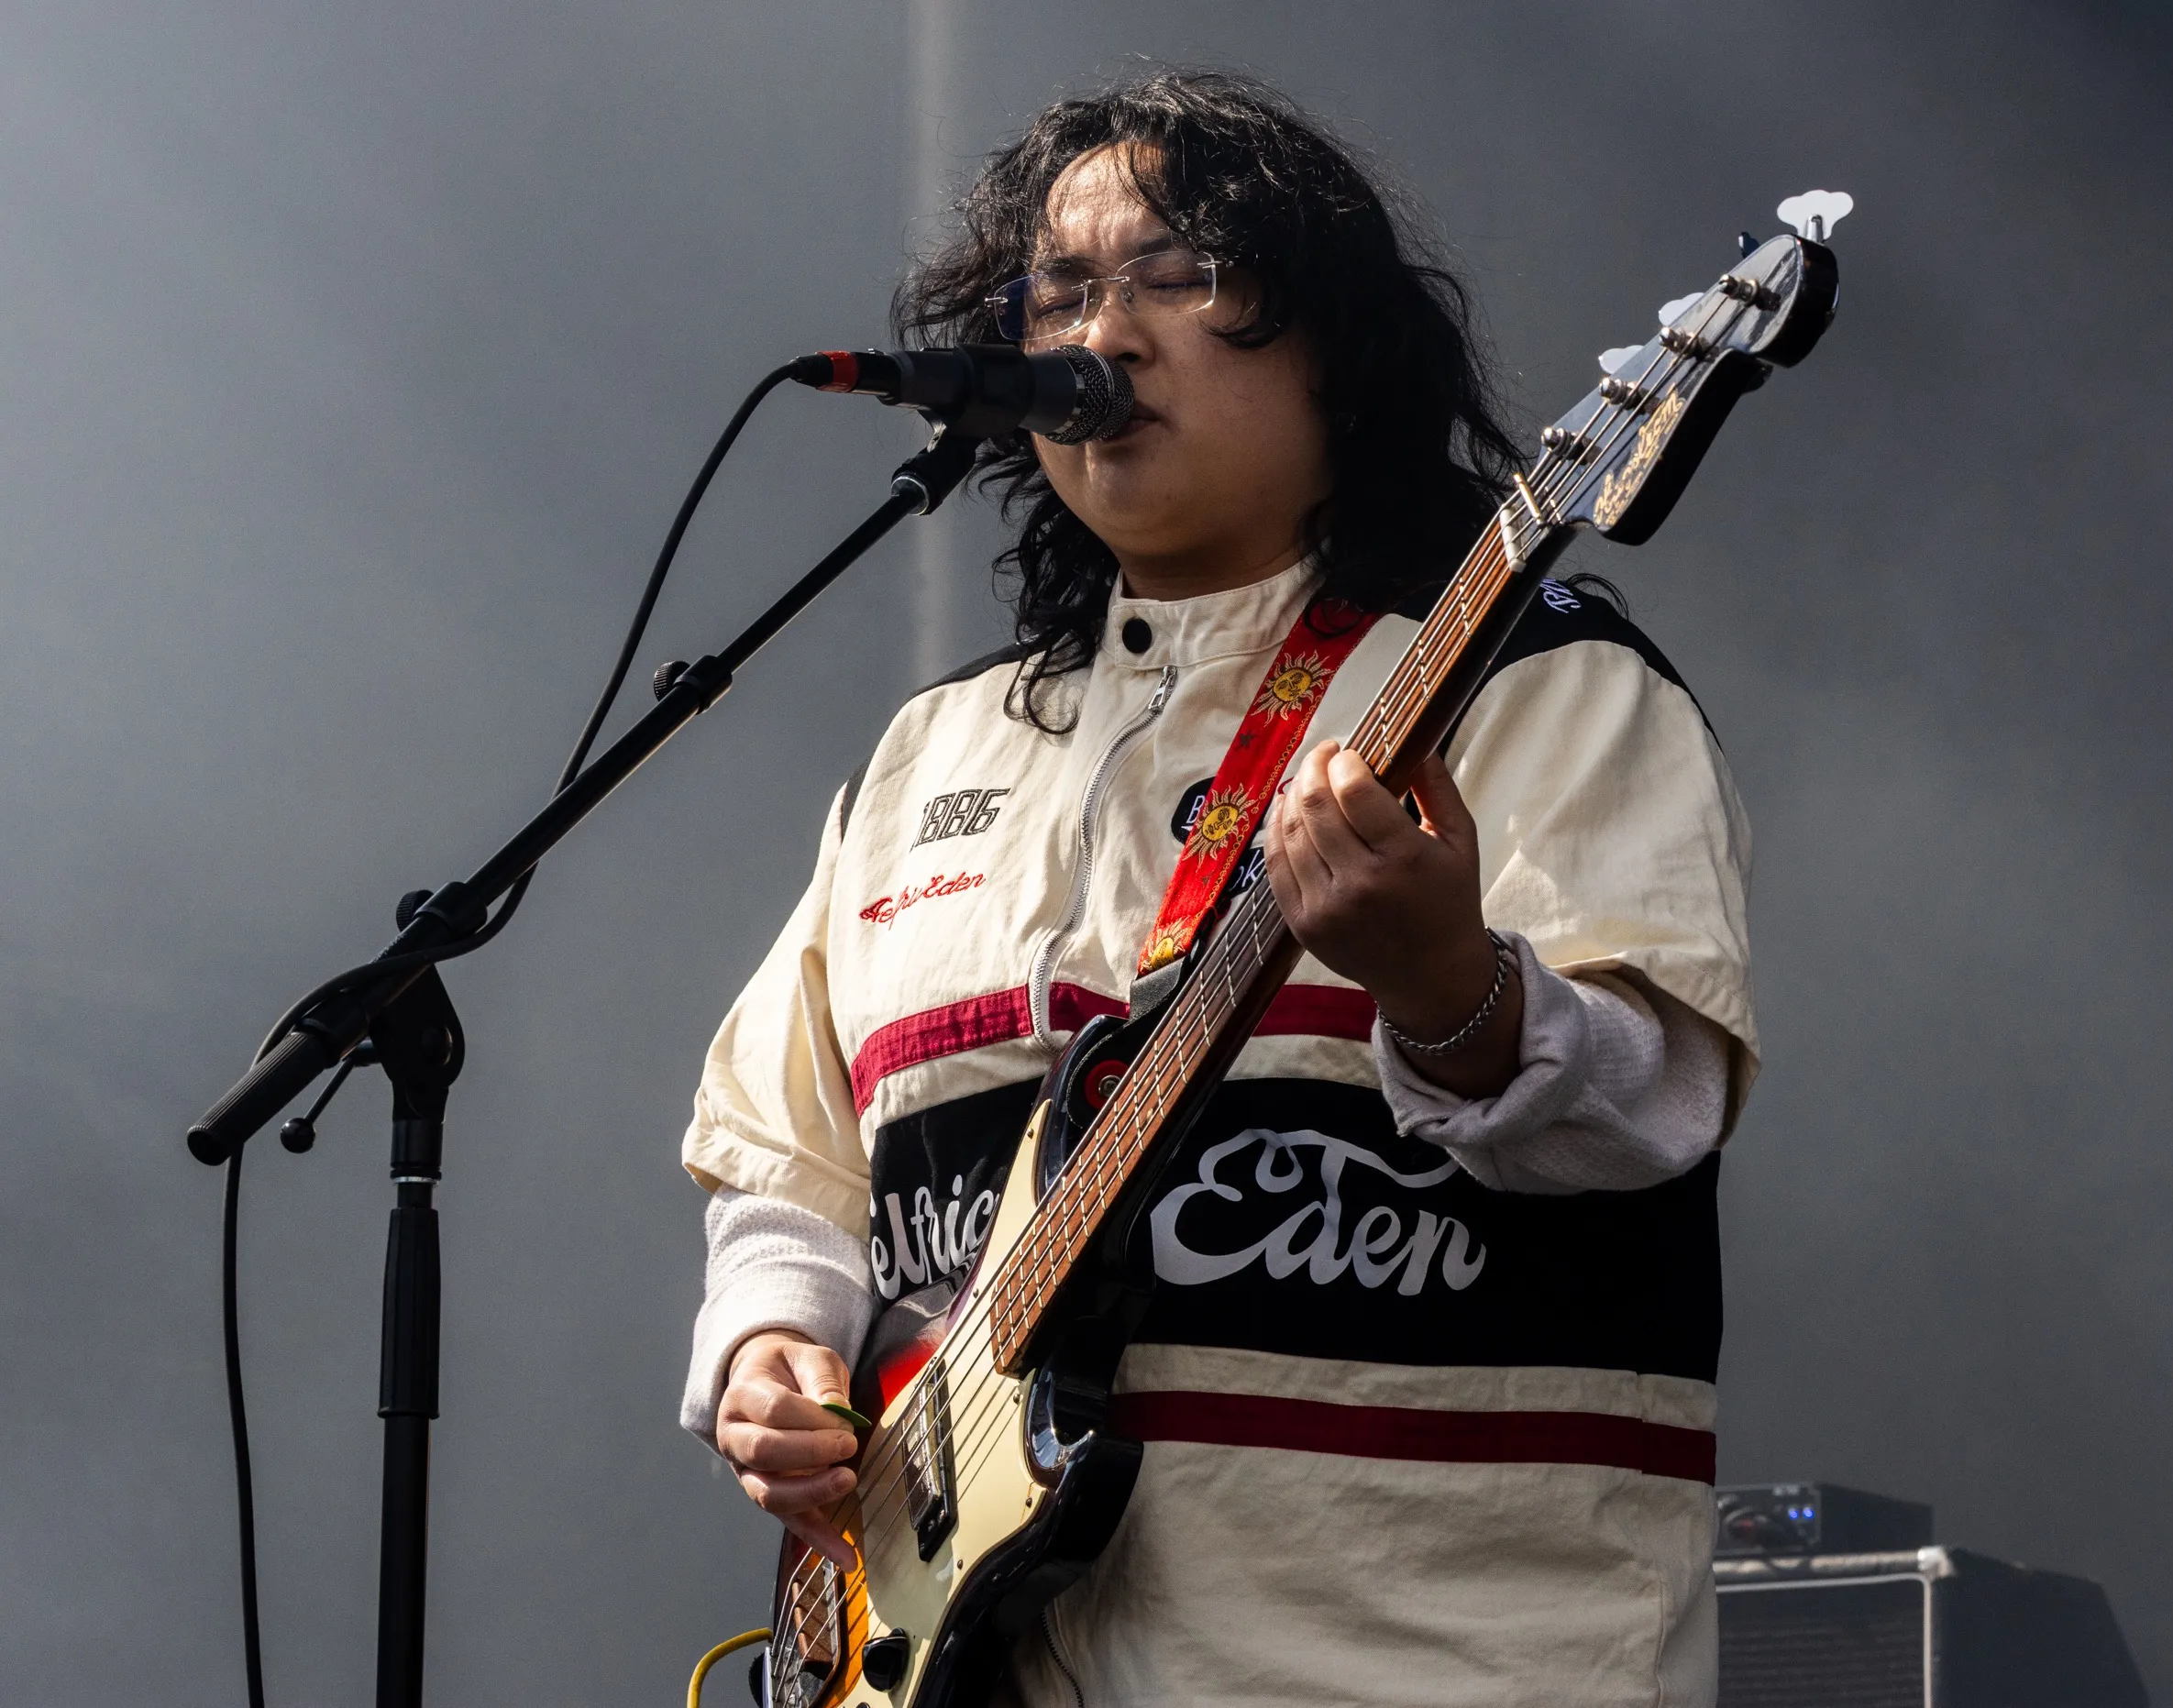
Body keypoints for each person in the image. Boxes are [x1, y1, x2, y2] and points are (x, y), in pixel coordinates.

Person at [679, 70, 1754, 1707]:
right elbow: (786, 1164)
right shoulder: (925, 753)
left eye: (1175, 275)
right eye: (1059, 291)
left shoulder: (1542, 688)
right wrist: (773, 1346)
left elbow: (1656, 1106)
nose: (1103, 332)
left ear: (1340, 347)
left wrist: (1449, 989)